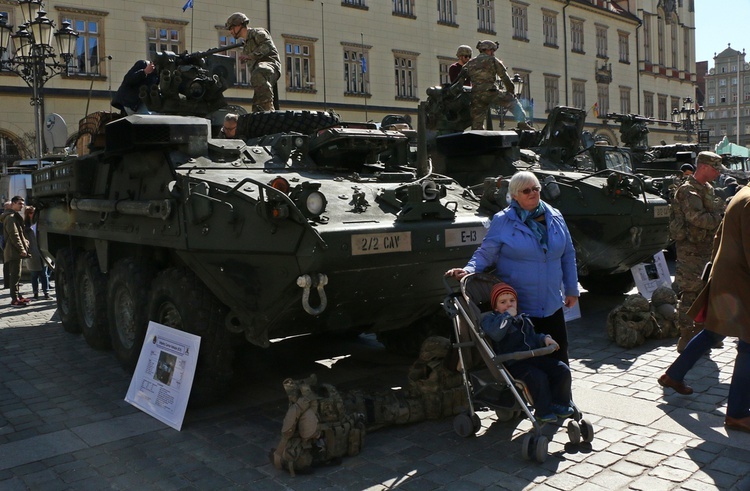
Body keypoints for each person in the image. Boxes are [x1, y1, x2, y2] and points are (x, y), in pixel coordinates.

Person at [446, 171, 579, 365]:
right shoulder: (503, 220)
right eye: (526, 190)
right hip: (520, 306)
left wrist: (572, 289)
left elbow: (568, 254)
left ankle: (561, 395)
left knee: (558, 355)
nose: (533, 193)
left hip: (551, 303)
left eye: (536, 188)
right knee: (528, 359)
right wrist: (469, 269)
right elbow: (486, 252)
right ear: (515, 196)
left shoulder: (555, 216)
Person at [658, 183, 750, 433]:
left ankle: (673, 375)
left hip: (729, 279)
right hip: (741, 283)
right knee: (748, 346)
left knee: (713, 331)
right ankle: (738, 414)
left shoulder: (743, 194)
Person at [480, 282, 573, 423]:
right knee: (538, 377)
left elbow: (532, 338)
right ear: (495, 306)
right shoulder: (492, 320)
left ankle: (559, 403)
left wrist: (545, 338)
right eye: (503, 302)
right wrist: (507, 316)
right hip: (515, 363)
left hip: (533, 358)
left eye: (512, 301)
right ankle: (543, 411)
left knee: (562, 369)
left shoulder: (523, 319)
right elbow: (496, 334)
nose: (509, 305)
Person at [669, 151, 725, 352]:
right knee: (690, 294)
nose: (718, 173)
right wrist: (722, 217)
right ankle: (685, 338)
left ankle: (704, 335)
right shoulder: (687, 190)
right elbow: (698, 219)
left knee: (707, 292)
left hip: (707, 248)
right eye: (715, 168)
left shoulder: (707, 188)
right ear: (703, 167)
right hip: (691, 251)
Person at [450, 40, 531, 130]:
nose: (493, 53)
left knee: (477, 124)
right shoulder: (493, 61)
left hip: (476, 95)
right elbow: (505, 78)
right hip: (491, 93)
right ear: (488, 50)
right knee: (513, 103)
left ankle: (478, 138)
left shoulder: (470, 63)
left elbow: (460, 80)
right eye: (492, 50)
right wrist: (511, 92)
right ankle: (522, 123)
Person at [225, 12, 281, 113]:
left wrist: (250, 56)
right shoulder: (246, 47)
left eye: (232, 28)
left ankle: (269, 109)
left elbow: (267, 46)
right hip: (259, 77)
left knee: (259, 71)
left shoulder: (258, 33)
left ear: (239, 24)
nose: (231, 31)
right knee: (257, 106)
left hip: (270, 65)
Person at [2, 196, 31, 307]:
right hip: (13, 251)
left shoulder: (13, 216)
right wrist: (21, 249)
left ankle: (18, 295)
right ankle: (14, 299)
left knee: (17, 275)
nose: (22, 206)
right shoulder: (10, 217)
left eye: (22, 204)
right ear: (13, 204)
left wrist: (25, 242)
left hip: (14, 250)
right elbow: (14, 235)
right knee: (15, 275)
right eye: (19, 203)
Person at [23, 206, 50, 300]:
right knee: (34, 274)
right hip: (32, 253)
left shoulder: (40, 224)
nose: (33, 215)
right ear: (28, 214)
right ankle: (35, 293)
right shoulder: (25, 227)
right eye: (31, 213)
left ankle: (46, 292)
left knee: (44, 274)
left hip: (42, 252)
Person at [1, 200, 11, 289]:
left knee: (7, 262)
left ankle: (8, 282)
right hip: (5, 239)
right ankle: (8, 283)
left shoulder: (4, 216)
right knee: (7, 262)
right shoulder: (6, 216)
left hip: (4, 239)